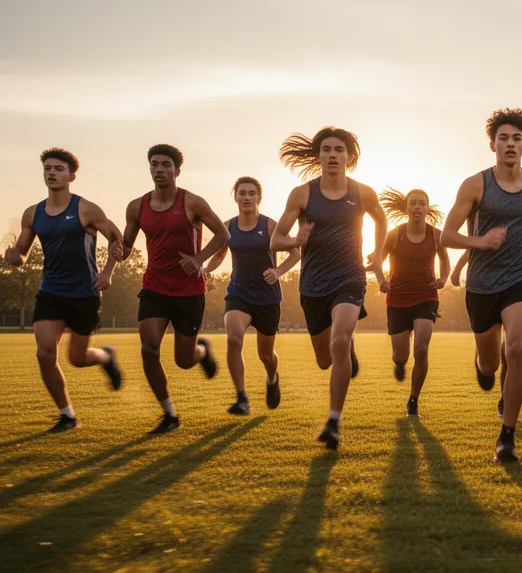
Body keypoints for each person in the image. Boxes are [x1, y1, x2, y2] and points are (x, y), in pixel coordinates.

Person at [441, 107, 522, 463]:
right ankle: (483, 364)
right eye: (503, 138)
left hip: (521, 278)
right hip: (482, 284)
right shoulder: (476, 185)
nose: (510, 144)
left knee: (519, 347)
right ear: (492, 144)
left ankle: (506, 437)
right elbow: (447, 235)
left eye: (517, 139)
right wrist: (479, 242)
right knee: (491, 364)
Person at [272, 126, 388, 450]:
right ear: (318, 156)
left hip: (349, 277)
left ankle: (334, 421)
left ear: (349, 157)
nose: (333, 155)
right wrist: (296, 239)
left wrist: (378, 253)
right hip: (312, 284)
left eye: (339, 150)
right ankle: (346, 348)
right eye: (326, 150)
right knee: (326, 359)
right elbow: (276, 239)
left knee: (339, 338)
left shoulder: (363, 192)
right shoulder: (302, 194)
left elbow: (381, 220)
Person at [3, 148, 124, 432]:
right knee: (45, 354)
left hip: (85, 292)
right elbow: (21, 254)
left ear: (71, 175)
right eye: (47, 168)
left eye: (58, 169)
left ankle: (106, 357)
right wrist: (12, 256)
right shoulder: (32, 214)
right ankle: (67, 415)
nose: (51, 173)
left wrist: (107, 272)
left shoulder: (86, 209)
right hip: (51, 291)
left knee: (77, 359)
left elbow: (117, 240)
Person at [121, 144, 228, 434]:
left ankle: (201, 353)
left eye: (165, 164)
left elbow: (223, 233)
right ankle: (169, 414)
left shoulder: (192, 202)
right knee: (148, 347)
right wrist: (111, 244)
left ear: (177, 170)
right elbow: (125, 248)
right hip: (154, 286)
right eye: (154, 164)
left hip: (189, 291)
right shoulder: (136, 206)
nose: (159, 169)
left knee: (183, 360)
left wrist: (199, 259)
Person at [203, 177, 300, 415]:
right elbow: (218, 255)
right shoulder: (228, 227)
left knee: (265, 355)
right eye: (242, 193)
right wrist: (206, 269)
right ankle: (242, 398)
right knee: (234, 339)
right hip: (239, 293)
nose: (247, 198)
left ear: (259, 198)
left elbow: (296, 254)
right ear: (235, 196)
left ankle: (271, 378)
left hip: (268, 298)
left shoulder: (269, 226)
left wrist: (278, 272)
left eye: (252, 193)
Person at [451, 227, 522, 418]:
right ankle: (481, 354)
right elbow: (469, 251)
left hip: (519, 290)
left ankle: (506, 400)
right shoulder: (492, 229)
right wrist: (456, 272)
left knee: (513, 350)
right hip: (486, 292)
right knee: (489, 367)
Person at [377, 187, 450, 417]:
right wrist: (381, 279)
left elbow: (445, 259)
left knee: (421, 349)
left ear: (427, 209)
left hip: (426, 297)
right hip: (397, 299)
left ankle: (413, 400)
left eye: (421, 203)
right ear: (406, 208)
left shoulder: (436, 235)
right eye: (413, 203)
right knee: (401, 356)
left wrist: (444, 279)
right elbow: (379, 258)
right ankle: (399, 363)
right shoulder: (394, 234)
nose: (417, 207)